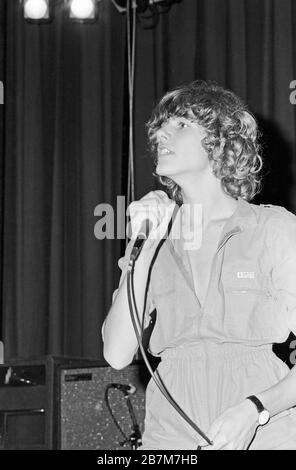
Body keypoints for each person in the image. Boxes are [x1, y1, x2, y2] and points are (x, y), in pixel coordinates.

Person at [102, 80, 296, 450]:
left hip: (263, 433)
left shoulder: (273, 229)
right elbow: (116, 352)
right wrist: (144, 248)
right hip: (170, 435)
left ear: (222, 141)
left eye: (180, 124)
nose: (160, 133)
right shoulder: (154, 237)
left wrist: (255, 410)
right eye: (159, 126)